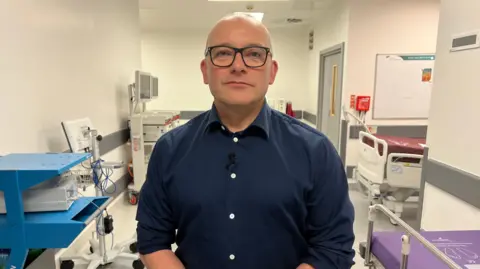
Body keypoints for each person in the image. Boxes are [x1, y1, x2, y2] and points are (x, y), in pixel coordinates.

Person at [135, 13, 355, 269]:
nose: (238, 66)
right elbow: (152, 240)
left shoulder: (316, 151)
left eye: (254, 54)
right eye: (223, 53)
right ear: (205, 71)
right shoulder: (170, 150)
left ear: (271, 72)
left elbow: (333, 247)